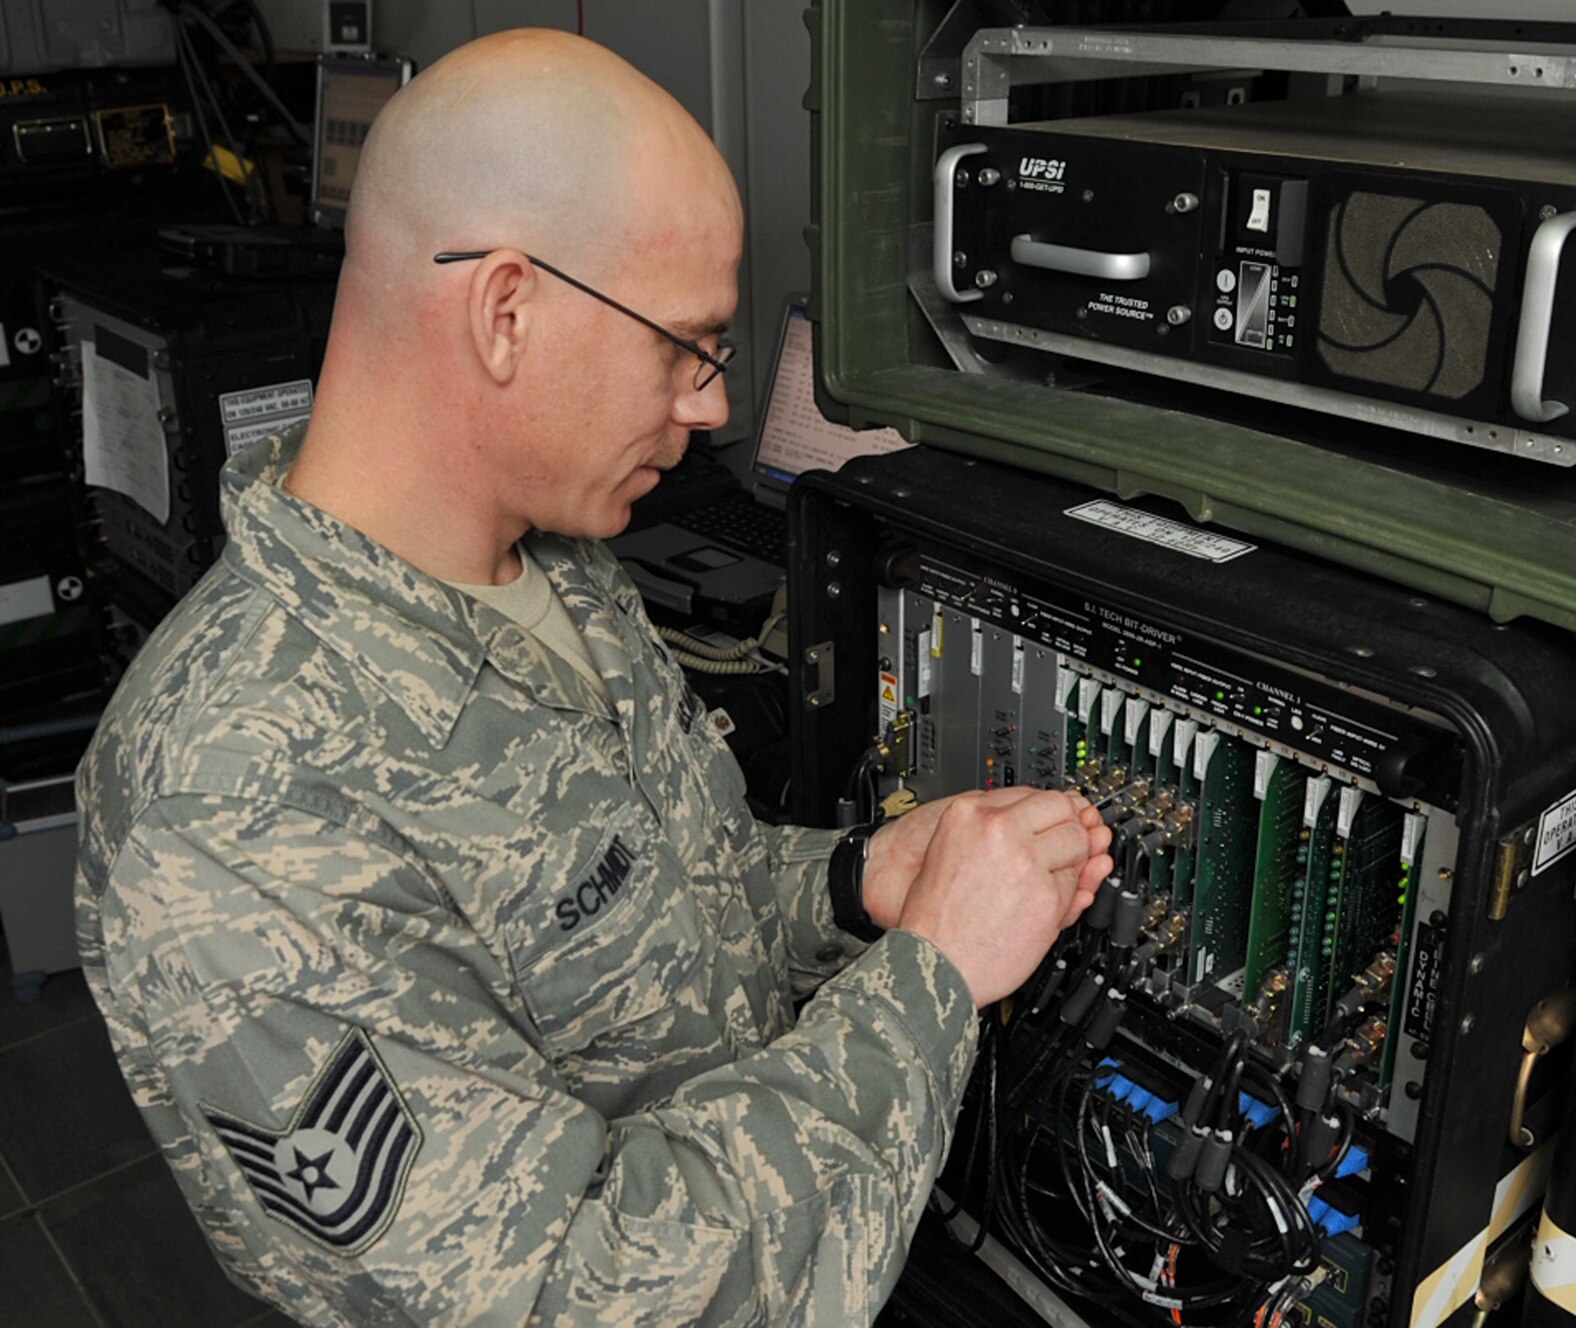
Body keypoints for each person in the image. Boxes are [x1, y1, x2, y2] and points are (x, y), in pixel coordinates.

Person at [72, 28, 1113, 1326]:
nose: (703, 408)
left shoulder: (555, 565)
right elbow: (580, 1293)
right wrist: (935, 976)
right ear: (507, 311)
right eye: (688, 345)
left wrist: (855, 889)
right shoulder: (229, 805)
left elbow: (675, 918)